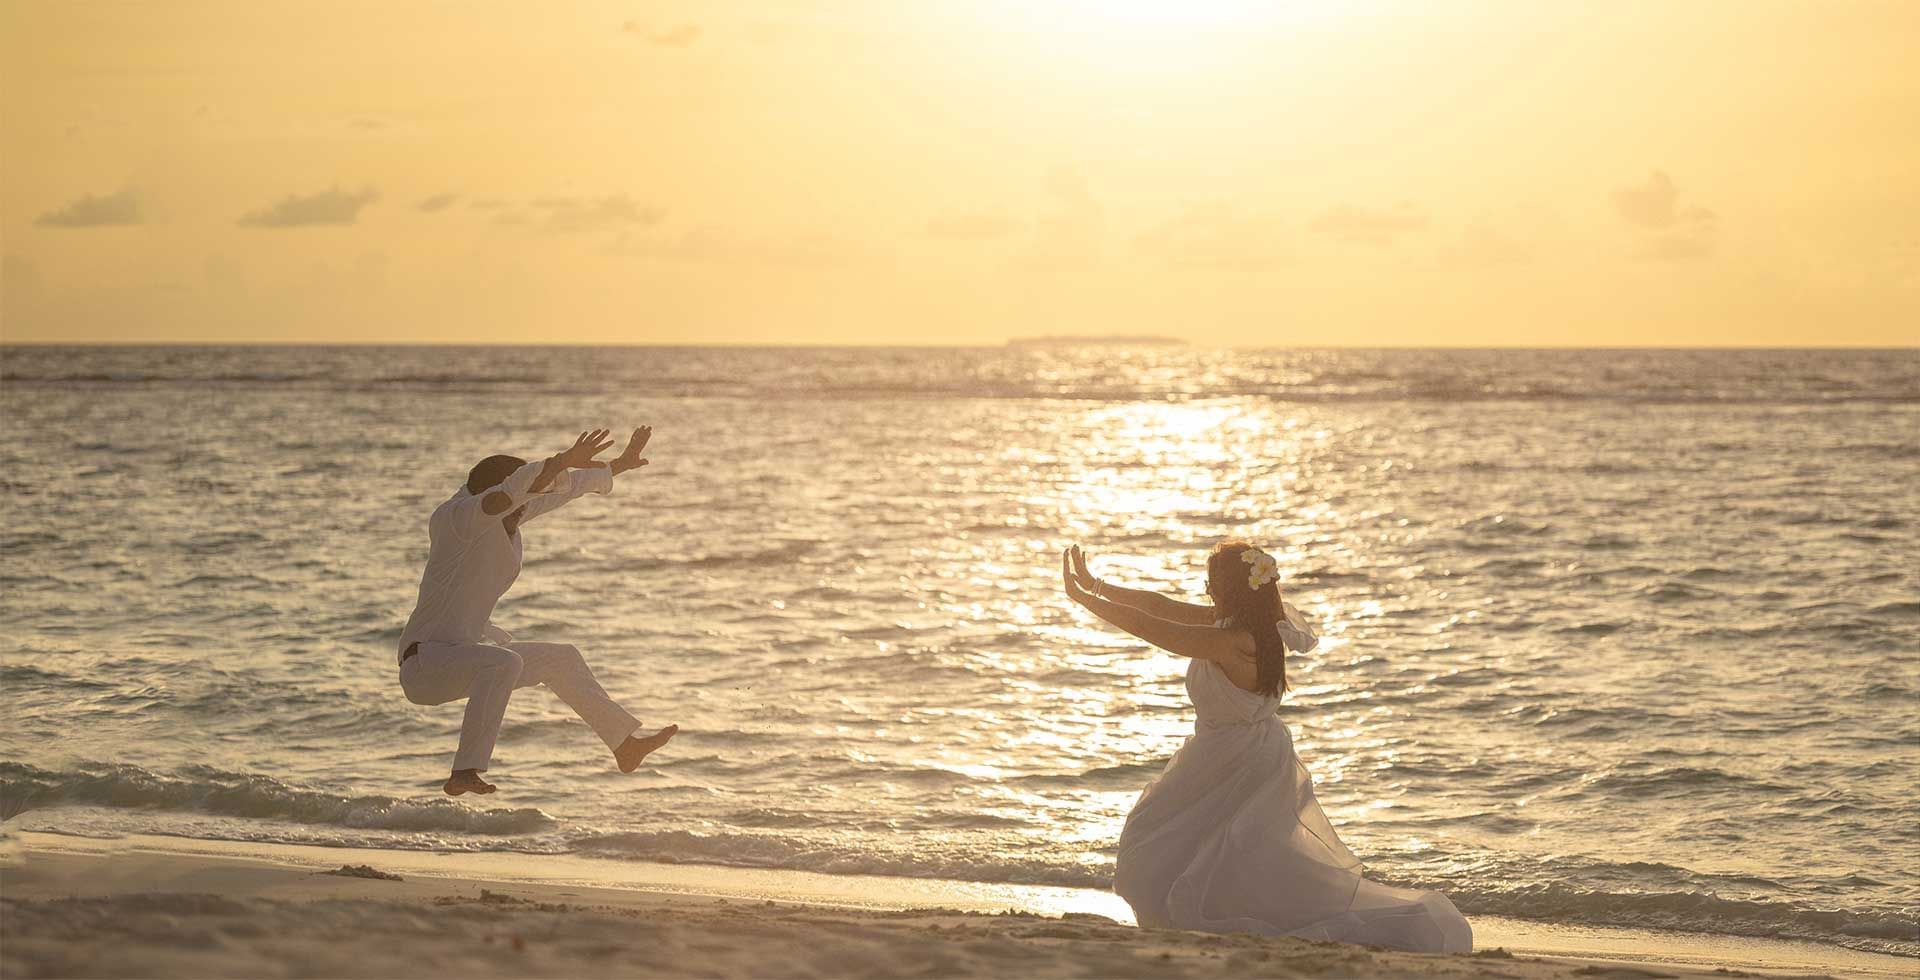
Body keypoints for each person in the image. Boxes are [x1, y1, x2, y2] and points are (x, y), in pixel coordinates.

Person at [1061, 542, 1472, 953]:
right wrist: (1096, 585)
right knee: (1197, 848)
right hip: (1232, 751)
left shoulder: (1237, 639)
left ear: (1235, 589)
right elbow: (1160, 606)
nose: (1207, 589)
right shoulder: (1240, 627)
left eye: (1213, 582)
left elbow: (1157, 629)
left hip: (1235, 757)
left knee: (1162, 841)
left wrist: (1083, 600)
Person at [397, 427, 677, 796]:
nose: (528, 510)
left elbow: (567, 489)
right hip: (425, 664)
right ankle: (464, 771)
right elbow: (504, 497)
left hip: (460, 661)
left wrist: (618, 467)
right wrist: (558, 461)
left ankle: (625, 745)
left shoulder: (509, 517)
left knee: (561, 659)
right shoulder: (455, 519)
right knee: (504, 663)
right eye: (523, 498)